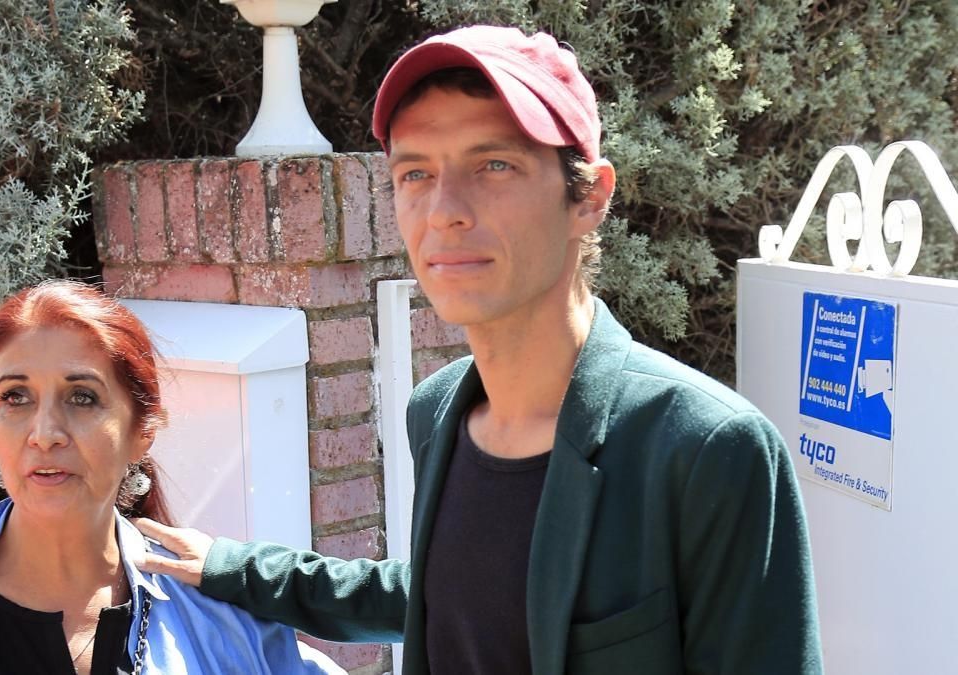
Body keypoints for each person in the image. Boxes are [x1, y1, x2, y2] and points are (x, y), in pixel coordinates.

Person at [133, 25, 824, 675]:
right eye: (415, 174)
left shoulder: (706, 448)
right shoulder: (436, 411)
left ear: (589, 198)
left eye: (494, 165)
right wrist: (235, 569)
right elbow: (449, 594)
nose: (444, 211)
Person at [0, 281, 342, 675]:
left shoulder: (219, 616)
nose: (45, 433)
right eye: (15, 397)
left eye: (82, 397)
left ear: (142, 431)